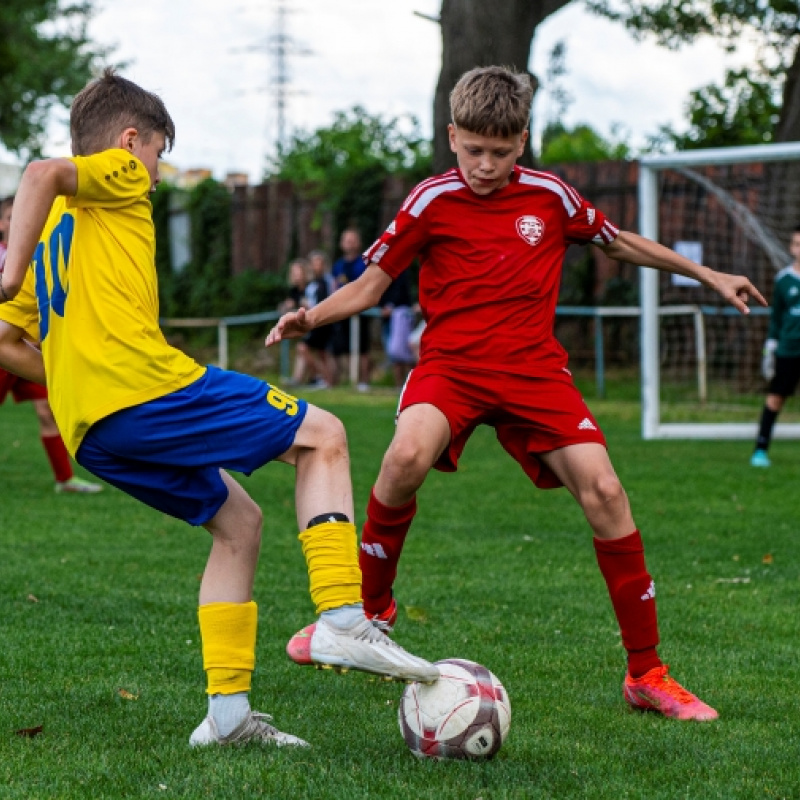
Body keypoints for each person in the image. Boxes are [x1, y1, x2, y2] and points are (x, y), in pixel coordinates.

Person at [267, 65, 767, 722]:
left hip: (534, 371)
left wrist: (706, 273)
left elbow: (618, 244)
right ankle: (367, 617)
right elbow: (369, 286)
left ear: (522, 141)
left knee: (607, 492)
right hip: (452, 366)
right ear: (452, 136)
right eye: (474, 149)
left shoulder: (550, 195)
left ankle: (647, 672)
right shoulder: (430, 201)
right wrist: (312, 317)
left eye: (500, 152)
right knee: (403, 458)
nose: (485, 164)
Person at [0, 69, 437, 750]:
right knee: (324, 435)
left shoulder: (58, 226)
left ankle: (228, 717)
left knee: (238, 523)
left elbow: (6, 341)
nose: (150, 177)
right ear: (128, 140)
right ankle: (342, 618)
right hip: (143, 388)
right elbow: (36, 172)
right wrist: (4, 273)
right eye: (155, 158)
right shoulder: (109, 175)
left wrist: (70, 377)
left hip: (97, 433)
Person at [0, 195, 102, 494]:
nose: (20, 220)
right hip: (6, 350)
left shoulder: (39, 253)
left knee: (47, 409)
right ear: (3, 223)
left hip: (26, 349)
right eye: (12, 216)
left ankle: (65, 479)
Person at [750, 225, 800, 468]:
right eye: (797, 244)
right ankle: (760, 449)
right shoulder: (783, 280)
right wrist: (770, 350)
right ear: (792, 248)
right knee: (776, 398)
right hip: (788, 351)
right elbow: (776, 319)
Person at [331, 228, 372, 391]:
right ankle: (350, 379)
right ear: (342, 244)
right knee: (343, 346)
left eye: (353, 240)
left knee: (363, 347)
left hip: (361, 311)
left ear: (359, 243)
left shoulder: (364, 263)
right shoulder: (338, 266)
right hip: (342, 312)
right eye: (347, 240)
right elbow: (334, 286)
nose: (350, 243)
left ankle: (364, 381)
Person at [304, 250, 336, 387]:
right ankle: (325, 380)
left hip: (323, 321)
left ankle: (326, 380)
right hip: (316, 321)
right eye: (314, 263)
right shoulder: (312, 283)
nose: (316, 266)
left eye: (319, 263)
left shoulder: (327, 281)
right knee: (321, 353)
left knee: (309, 349)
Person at [379, 270, 416, 388]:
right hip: (387, 320)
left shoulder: (402, 274)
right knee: (394, 355)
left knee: (404, 353)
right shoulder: (382, 272)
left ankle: (411, 385)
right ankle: (399, 385)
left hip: (401, 318)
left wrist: (392, 307)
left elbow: (403, 293)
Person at [278, 258, 311, 387]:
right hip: (304, 327)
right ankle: (299, 378)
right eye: (294, 273)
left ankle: (322, 378)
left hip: (317, 325)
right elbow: (285, 306)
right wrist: (285, 307)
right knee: (302, 349)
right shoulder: (294, 290)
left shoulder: (311, 287)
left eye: (298, 272)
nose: (296, 276)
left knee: (306, 350)